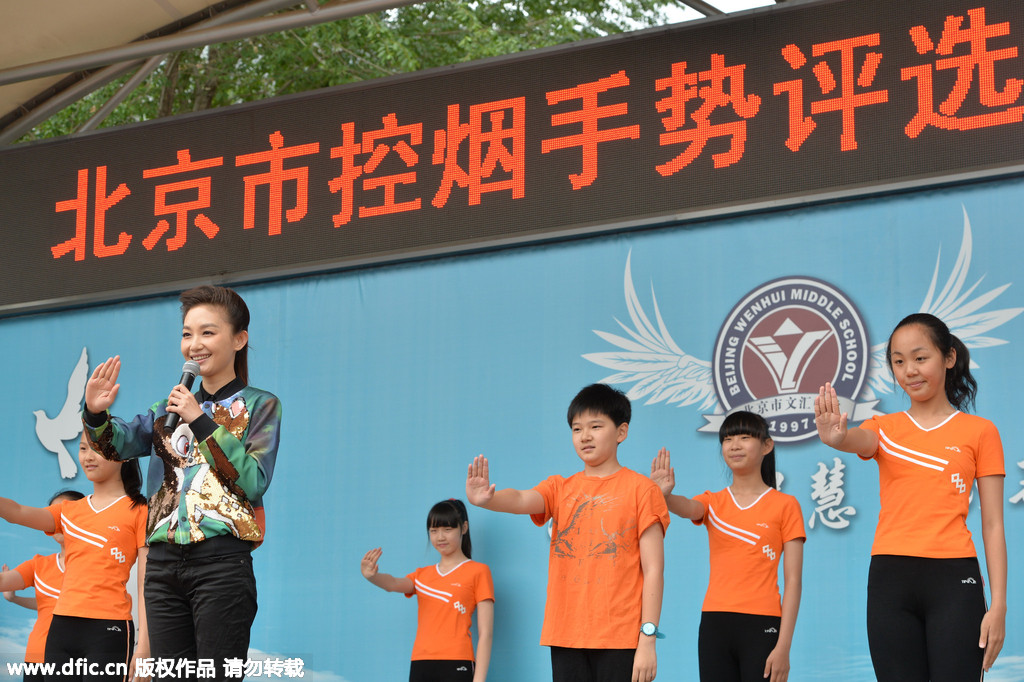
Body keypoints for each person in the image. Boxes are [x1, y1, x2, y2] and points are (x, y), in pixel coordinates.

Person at [82, 285, 283, 679]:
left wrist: (201, 420)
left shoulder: (261, 405)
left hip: (221, 565)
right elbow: (115, 444)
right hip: (162, 567)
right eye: (187, 334)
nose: (195, 344)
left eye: (208, 332)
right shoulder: (166, 409)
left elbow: (254, 480)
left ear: (239, 339)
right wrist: (94, 413)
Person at [814, 312, 1007, 680]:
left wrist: (998, 605)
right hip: (891, 581)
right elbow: (858, 439)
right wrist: (837, 438)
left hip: (955, 580)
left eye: (921, 358)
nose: (910, 371)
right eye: (899, 362)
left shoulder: (980, 432)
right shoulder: (884, 428)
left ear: (948, 358)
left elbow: (994, 525)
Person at [467, 383, 669, 682]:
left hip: (621, 637)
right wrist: (487, 499)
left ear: (621, 432)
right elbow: (523, 499)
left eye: (596, 426)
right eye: (576, 429)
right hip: (565, 635)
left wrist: (648, 638)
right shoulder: (560, 488)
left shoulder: (642, 490)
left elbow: (653, 570)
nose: (585, 436)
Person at [649, 411, 804, 682]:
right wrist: (665, 495)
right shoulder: (714, 503)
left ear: (766, 446)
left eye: (745, 437)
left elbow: (793, 582)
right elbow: (688, 508)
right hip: (715, 624)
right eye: (728, 439)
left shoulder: (785, 505)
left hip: (763, 624)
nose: (734, 445)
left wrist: (783, 646)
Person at [0, 434, 148, 682]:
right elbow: (16, 513)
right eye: (82, 449)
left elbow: (147, 583)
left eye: (97, 449)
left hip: (108, 628)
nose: (88, 456)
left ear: (124, 455)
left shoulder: (138, 510)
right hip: (62, 628)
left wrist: (144, 646)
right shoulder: (68, 512)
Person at [360, 499, 494, 682]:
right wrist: (372, 576)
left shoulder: (478, 571)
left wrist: (479, 680)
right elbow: (392, 584)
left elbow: (486, 633)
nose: (440, 537)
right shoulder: (422, 576)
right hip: (420, 663)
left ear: (463, 528)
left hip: (457, 662)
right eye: (433, 531)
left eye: (448, 530)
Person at [1, 490, 85, 682]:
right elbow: (47, 603)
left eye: (66, 514)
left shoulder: (99, 565)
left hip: (79, 657)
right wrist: (13, 598)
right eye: (54, 515)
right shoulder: (39, 564)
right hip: (37, 657)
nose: (60, 521)